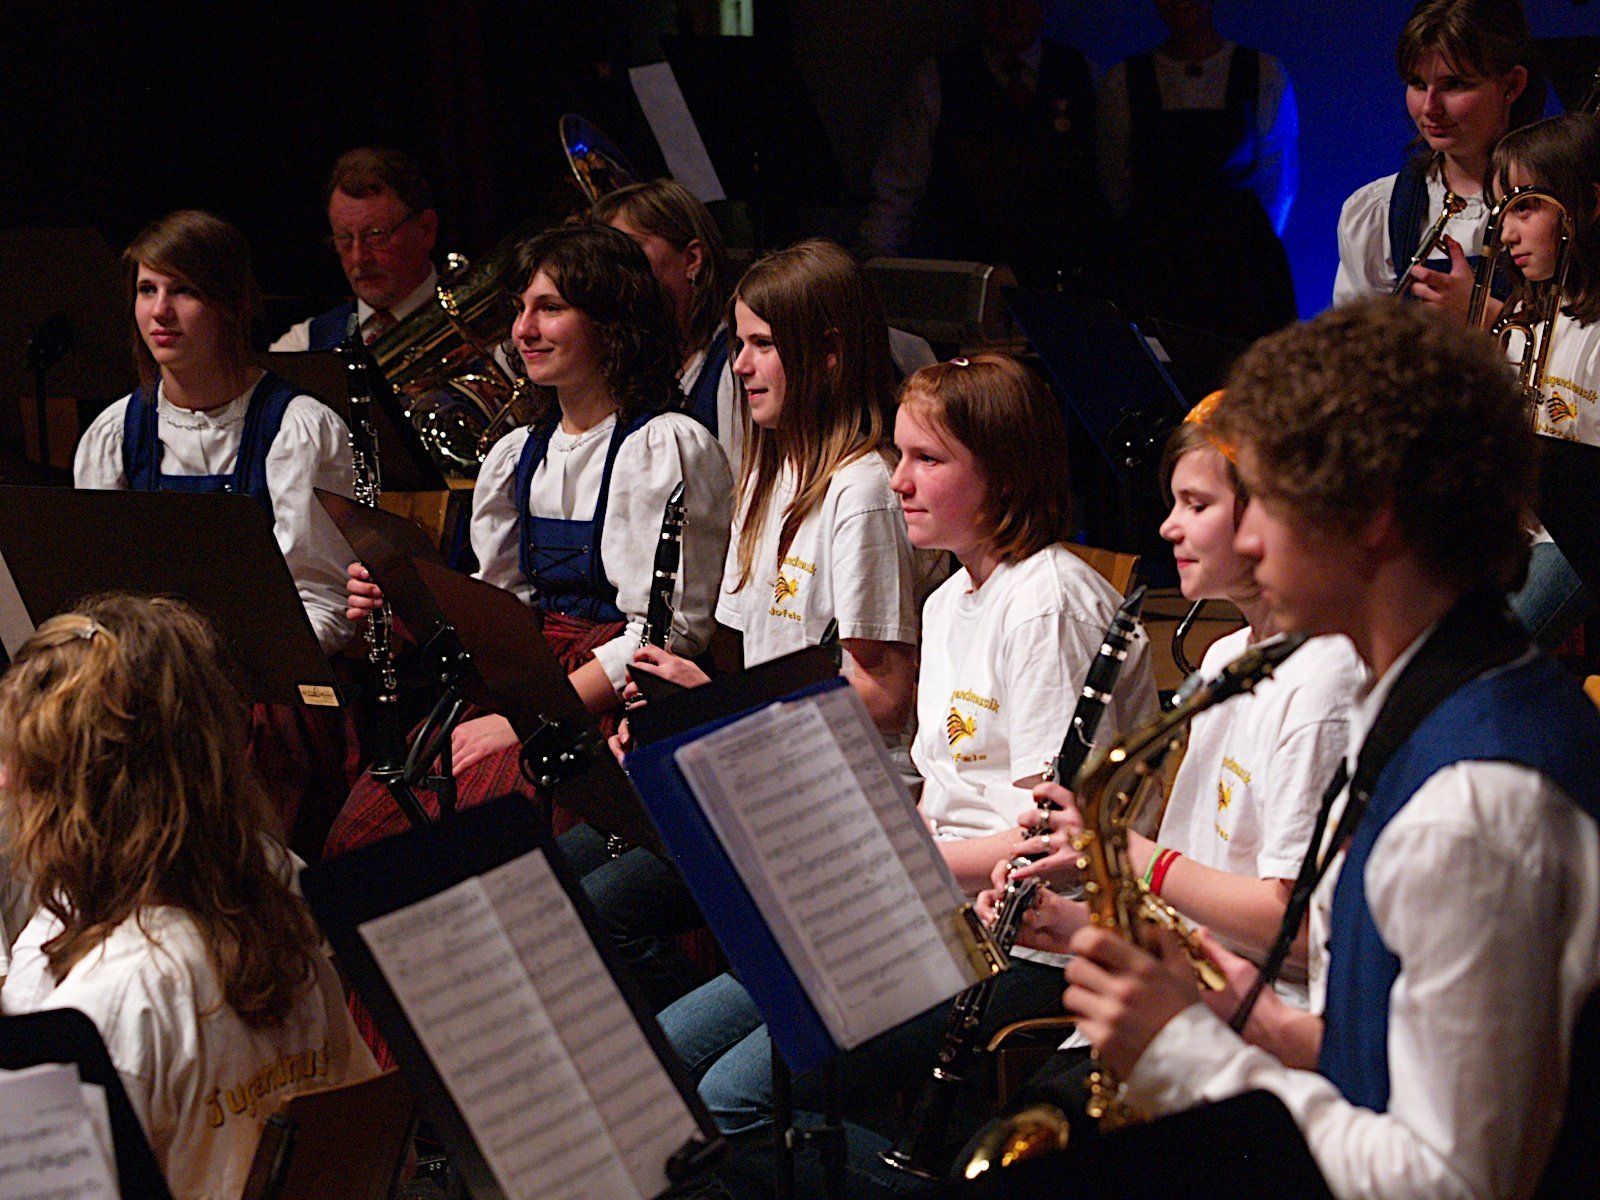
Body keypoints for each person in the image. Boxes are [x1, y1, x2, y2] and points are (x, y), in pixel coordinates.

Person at [1036, 297, 1600, 1200]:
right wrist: (1242, 1014)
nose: (1247, 538)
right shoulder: (1428, 696)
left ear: (1372, 515)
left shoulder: (1475, 806)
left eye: (1269, 500)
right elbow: (1380, 1053)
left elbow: (1451, 1182)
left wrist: (1185, 1053)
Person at [654, 354, 1158, 1195]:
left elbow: (1056, 844)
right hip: (934, 912)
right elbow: (940, 794)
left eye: (928, 459)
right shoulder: (948, 601)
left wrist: (894, 861)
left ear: (1003, 473)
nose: (899, 482)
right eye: (900, 455)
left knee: (732, 1104)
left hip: (1029, 943)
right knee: (665, 1058)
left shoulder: (1051, 604)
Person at [964, 393, 1365, 1129]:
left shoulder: (1324, 683)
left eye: (1195, 504)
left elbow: (1301, 926)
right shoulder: (1225, 659)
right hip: (1176, 1002)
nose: (1167, 526)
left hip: (1248, 1045)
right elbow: (1195, 879)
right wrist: (1071, 922)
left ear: (1270, 515)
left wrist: (1121, 851)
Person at [331, 223, 731, 884]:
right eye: (521, 309)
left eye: (549, 308)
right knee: (370, 838)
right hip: (523, 682)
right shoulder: (517, 454)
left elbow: (667, 636)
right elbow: (498, 609)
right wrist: (403, 603)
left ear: (610, 322)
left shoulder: (665, 446)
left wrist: (530, 721)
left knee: (480, 861)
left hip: (602, 705)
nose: (523, 330)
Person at [0, 595, 375, 1200]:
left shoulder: (112, 1006)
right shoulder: (284, 905)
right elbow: (364, 1132)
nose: (4, 779)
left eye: (24, 762)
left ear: (74, 797)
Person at [73, 209, 358, 855]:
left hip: (264, 696)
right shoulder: (115, 434)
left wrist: (210, 679)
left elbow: (322, 602)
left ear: (230, 303)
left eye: (184, 291)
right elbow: (94, 596)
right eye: (147, 290)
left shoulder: (297, 429)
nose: (160, 312)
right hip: (141, 686)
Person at [857, 0, 1101, 289]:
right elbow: (898, 187)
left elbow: (1103, 186)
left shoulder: (1081, 73)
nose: (1009, 10)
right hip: (962, 277)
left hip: (1059, 280)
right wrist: (872, 269)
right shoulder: (938, 78)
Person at [1096, 0, 1299, 340]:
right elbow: (1114, 177)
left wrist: (1251, 248)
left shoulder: (1264, 72)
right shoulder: (1123, 80)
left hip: (1239, 265)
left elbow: (1278, 178)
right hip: (1155, 260)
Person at [1332, 0, 1542, 310]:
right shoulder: (1381, 210)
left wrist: (1482, 315)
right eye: (1418, 84)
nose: (1430, 107)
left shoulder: (1558, 205)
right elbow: (1357, 337)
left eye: (1454, 84)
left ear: (1512, 85)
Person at [1486, 113, 1600, 646]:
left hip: (1573, 538)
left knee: (1489, 648)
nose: (1506, 233)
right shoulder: (1524, 317)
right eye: (1501, 210)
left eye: (1524, 207)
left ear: (1589, 206)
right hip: (1521, 527)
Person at [588, 178, 741, 465]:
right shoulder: (628, 366)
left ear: (691, 258)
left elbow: (741, 483)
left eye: (629, 250)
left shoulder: (734, 364)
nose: (609, 273)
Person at [270, 146, 441, 351]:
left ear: (426, 229)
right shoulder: (303, 344)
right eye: (344, 238)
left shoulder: (476, 329)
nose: (358, 258)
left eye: (376, 235)